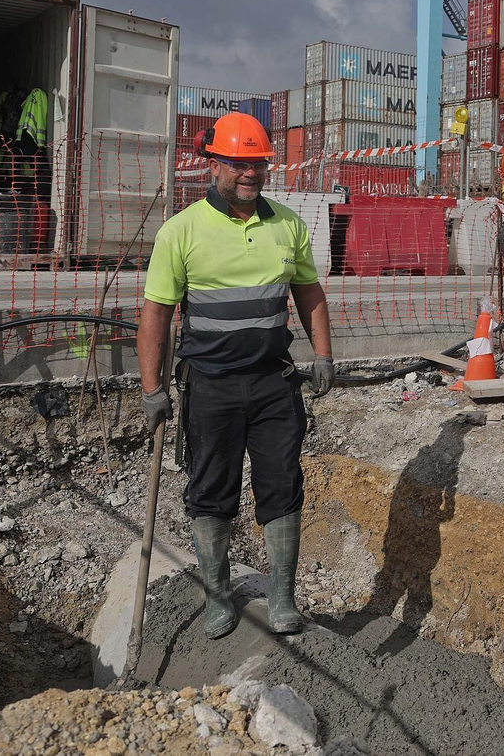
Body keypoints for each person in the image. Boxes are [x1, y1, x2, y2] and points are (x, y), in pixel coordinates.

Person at [137, 111, 335, 638]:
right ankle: (219, 598)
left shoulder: (287, 225)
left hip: (274, 383)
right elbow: (156, 313)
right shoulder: (181, 231)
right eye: (238, 164)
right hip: (210, 384)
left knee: (282, 483)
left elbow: (308, 292)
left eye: (259, 164)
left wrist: (322, 354)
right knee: (210, 489)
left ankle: (283, 599)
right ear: (214, 164)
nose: (250, 173)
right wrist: (152, 389)